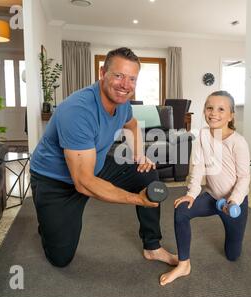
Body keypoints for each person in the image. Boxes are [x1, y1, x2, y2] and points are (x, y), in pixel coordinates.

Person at [29, 47, 178, 268]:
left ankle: (152, 246)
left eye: (132, 79)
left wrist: (139, 155)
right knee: (60, 258)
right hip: (56, 180)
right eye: (118, 75)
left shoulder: (122, 102)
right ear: (102, 73)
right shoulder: (77, 110)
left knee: (148, 173)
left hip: (93, 166)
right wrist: (138, 199)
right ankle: (47, 222)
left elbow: (132, 125)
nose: (125, 85)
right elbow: (83, 183)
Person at [159, 91, 250, 286]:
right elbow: (198, 166)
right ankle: (184, 264)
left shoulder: (238, 142)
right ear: (204, 111)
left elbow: (244, 177)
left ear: (231, 115)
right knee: (181, 210)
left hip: (233, 204)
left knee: (233, 254)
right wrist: (191, 194)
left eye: (221, 109)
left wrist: (234, 201)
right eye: (209, 108)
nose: (214, 113)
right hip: (211, 198)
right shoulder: (202, 135)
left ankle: (233, 241)